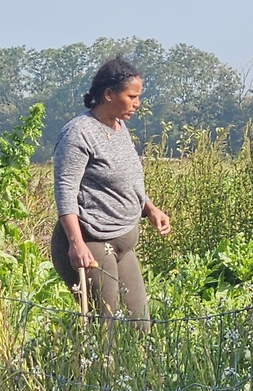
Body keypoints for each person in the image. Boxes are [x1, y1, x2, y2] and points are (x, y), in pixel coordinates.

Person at [51, 56, 171, 331]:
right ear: (108, 94)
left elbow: (125, 180)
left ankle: (139, 375)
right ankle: (96, 375)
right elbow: (65, 193)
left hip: (123, 245)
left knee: (140, 326)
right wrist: (76, 244)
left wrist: (149, 208)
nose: (137, 103)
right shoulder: (78, 133)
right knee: (106, 329)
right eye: (132, 96)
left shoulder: (118, 126)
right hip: (91, 242)